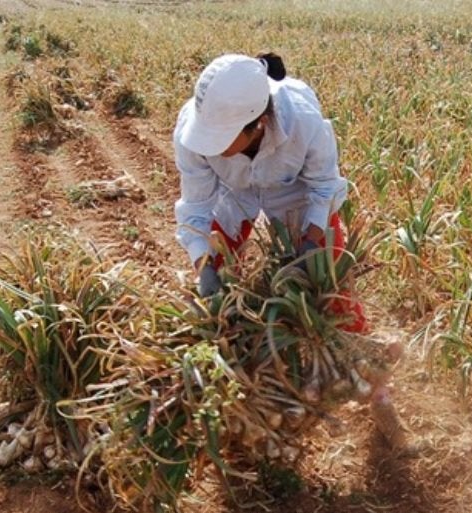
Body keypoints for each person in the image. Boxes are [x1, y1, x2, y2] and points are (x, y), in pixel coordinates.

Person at [173, 52, 414, 452]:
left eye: (224, 140)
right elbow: (195, 210)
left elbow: (323, 187)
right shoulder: (192, 134)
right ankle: (244, 403)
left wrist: (311, 241)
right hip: (233, 201)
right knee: (221, 306)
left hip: (299, 200)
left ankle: (381, 402)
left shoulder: (302, 120)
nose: (214, 147)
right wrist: (204, 266)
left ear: (258, 124)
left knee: (335, 293)